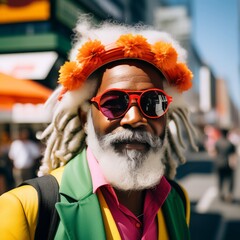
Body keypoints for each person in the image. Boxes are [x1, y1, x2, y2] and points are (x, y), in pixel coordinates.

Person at [0, 17, 198, 239]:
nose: (134, 118)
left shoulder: (178, 200)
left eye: (153, 102)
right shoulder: (23, 208)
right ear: (85, 117)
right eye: (114, 103)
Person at [214, 128, 237, 202]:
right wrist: (233, 164)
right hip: (228, 164)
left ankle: (221, 193)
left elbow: (214, 153)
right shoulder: (231, 144)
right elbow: (233, 156)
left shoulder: (217, 143)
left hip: (219, 164)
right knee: (230, 180)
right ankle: (229, 194)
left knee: (220, 179)